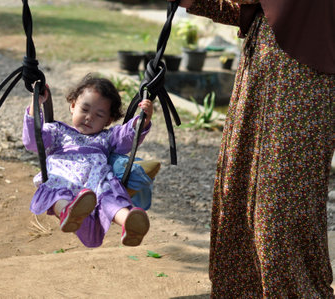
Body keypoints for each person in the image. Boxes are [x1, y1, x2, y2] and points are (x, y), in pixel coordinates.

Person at [171, 0, 335, 297]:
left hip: (306, 85)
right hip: (258, 76)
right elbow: (244, 9)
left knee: (280, 204)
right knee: (239, 189)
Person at [22, 74, 153, 248]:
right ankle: (67, 213)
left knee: (110, 198)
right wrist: (35, 104)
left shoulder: (107, 137)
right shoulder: (57, 131)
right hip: (64, 177)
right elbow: (33, 140)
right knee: (56, 192)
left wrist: (142, 120)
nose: (89, 117)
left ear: (108, 121)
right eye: (84, 110)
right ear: (73, 106)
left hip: (95, 183)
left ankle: (129, 222)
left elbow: (127, 136)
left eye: (99, 115)